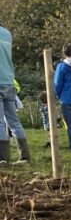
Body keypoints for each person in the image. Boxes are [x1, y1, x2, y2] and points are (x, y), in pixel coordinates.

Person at [0, 24, 30, 166]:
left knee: (0, 122)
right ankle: (24, 157)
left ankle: (3, 158)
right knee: (14, 121)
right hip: (9, 81)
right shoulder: (7, 34)